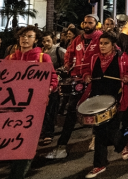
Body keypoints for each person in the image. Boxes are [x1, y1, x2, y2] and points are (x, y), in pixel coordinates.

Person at [81, 30, 128, 178]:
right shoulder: (94, 58)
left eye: (106, 43)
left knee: (111, 131)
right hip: (97, 100)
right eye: (101, 43)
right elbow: (85, 69)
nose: (102, 46)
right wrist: (86, 76)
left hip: (116, 100)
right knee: (100, 132)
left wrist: (127, 77)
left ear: (114, 45)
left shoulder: (123, 58)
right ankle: (100, 164)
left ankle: (122, 144)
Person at [46, 14, 102, 159]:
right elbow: (69, 54)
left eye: (90, 22)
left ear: (96, 24)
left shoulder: (102, 37)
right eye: (85, 22)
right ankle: (62, 145)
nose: (87, 25)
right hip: (78, 81)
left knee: (95, 112)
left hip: (96, 81)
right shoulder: (78, 39)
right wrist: (68, 66)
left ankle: (96, 138)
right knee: (71, 111)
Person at [5, 26, 58, 179]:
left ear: (35, 40)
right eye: (22, 36)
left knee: (26, 141)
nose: (25, 39)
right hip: (12, 106)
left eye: (29, 36)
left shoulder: (42, 58)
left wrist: (49, 88)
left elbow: (53, 78)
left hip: (34, 106)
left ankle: (18, 173)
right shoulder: (10, 59)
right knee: (13, 139)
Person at [40, 32, 66, 145]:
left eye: (48, 41)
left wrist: (60, 70)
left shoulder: (58, 50)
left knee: (51, 109)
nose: (46, 43)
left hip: (55, 81)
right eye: (44, 41)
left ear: (53, 40)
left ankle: (49, 132)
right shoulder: (40, 53)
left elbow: (69, 62)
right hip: (41, 83)